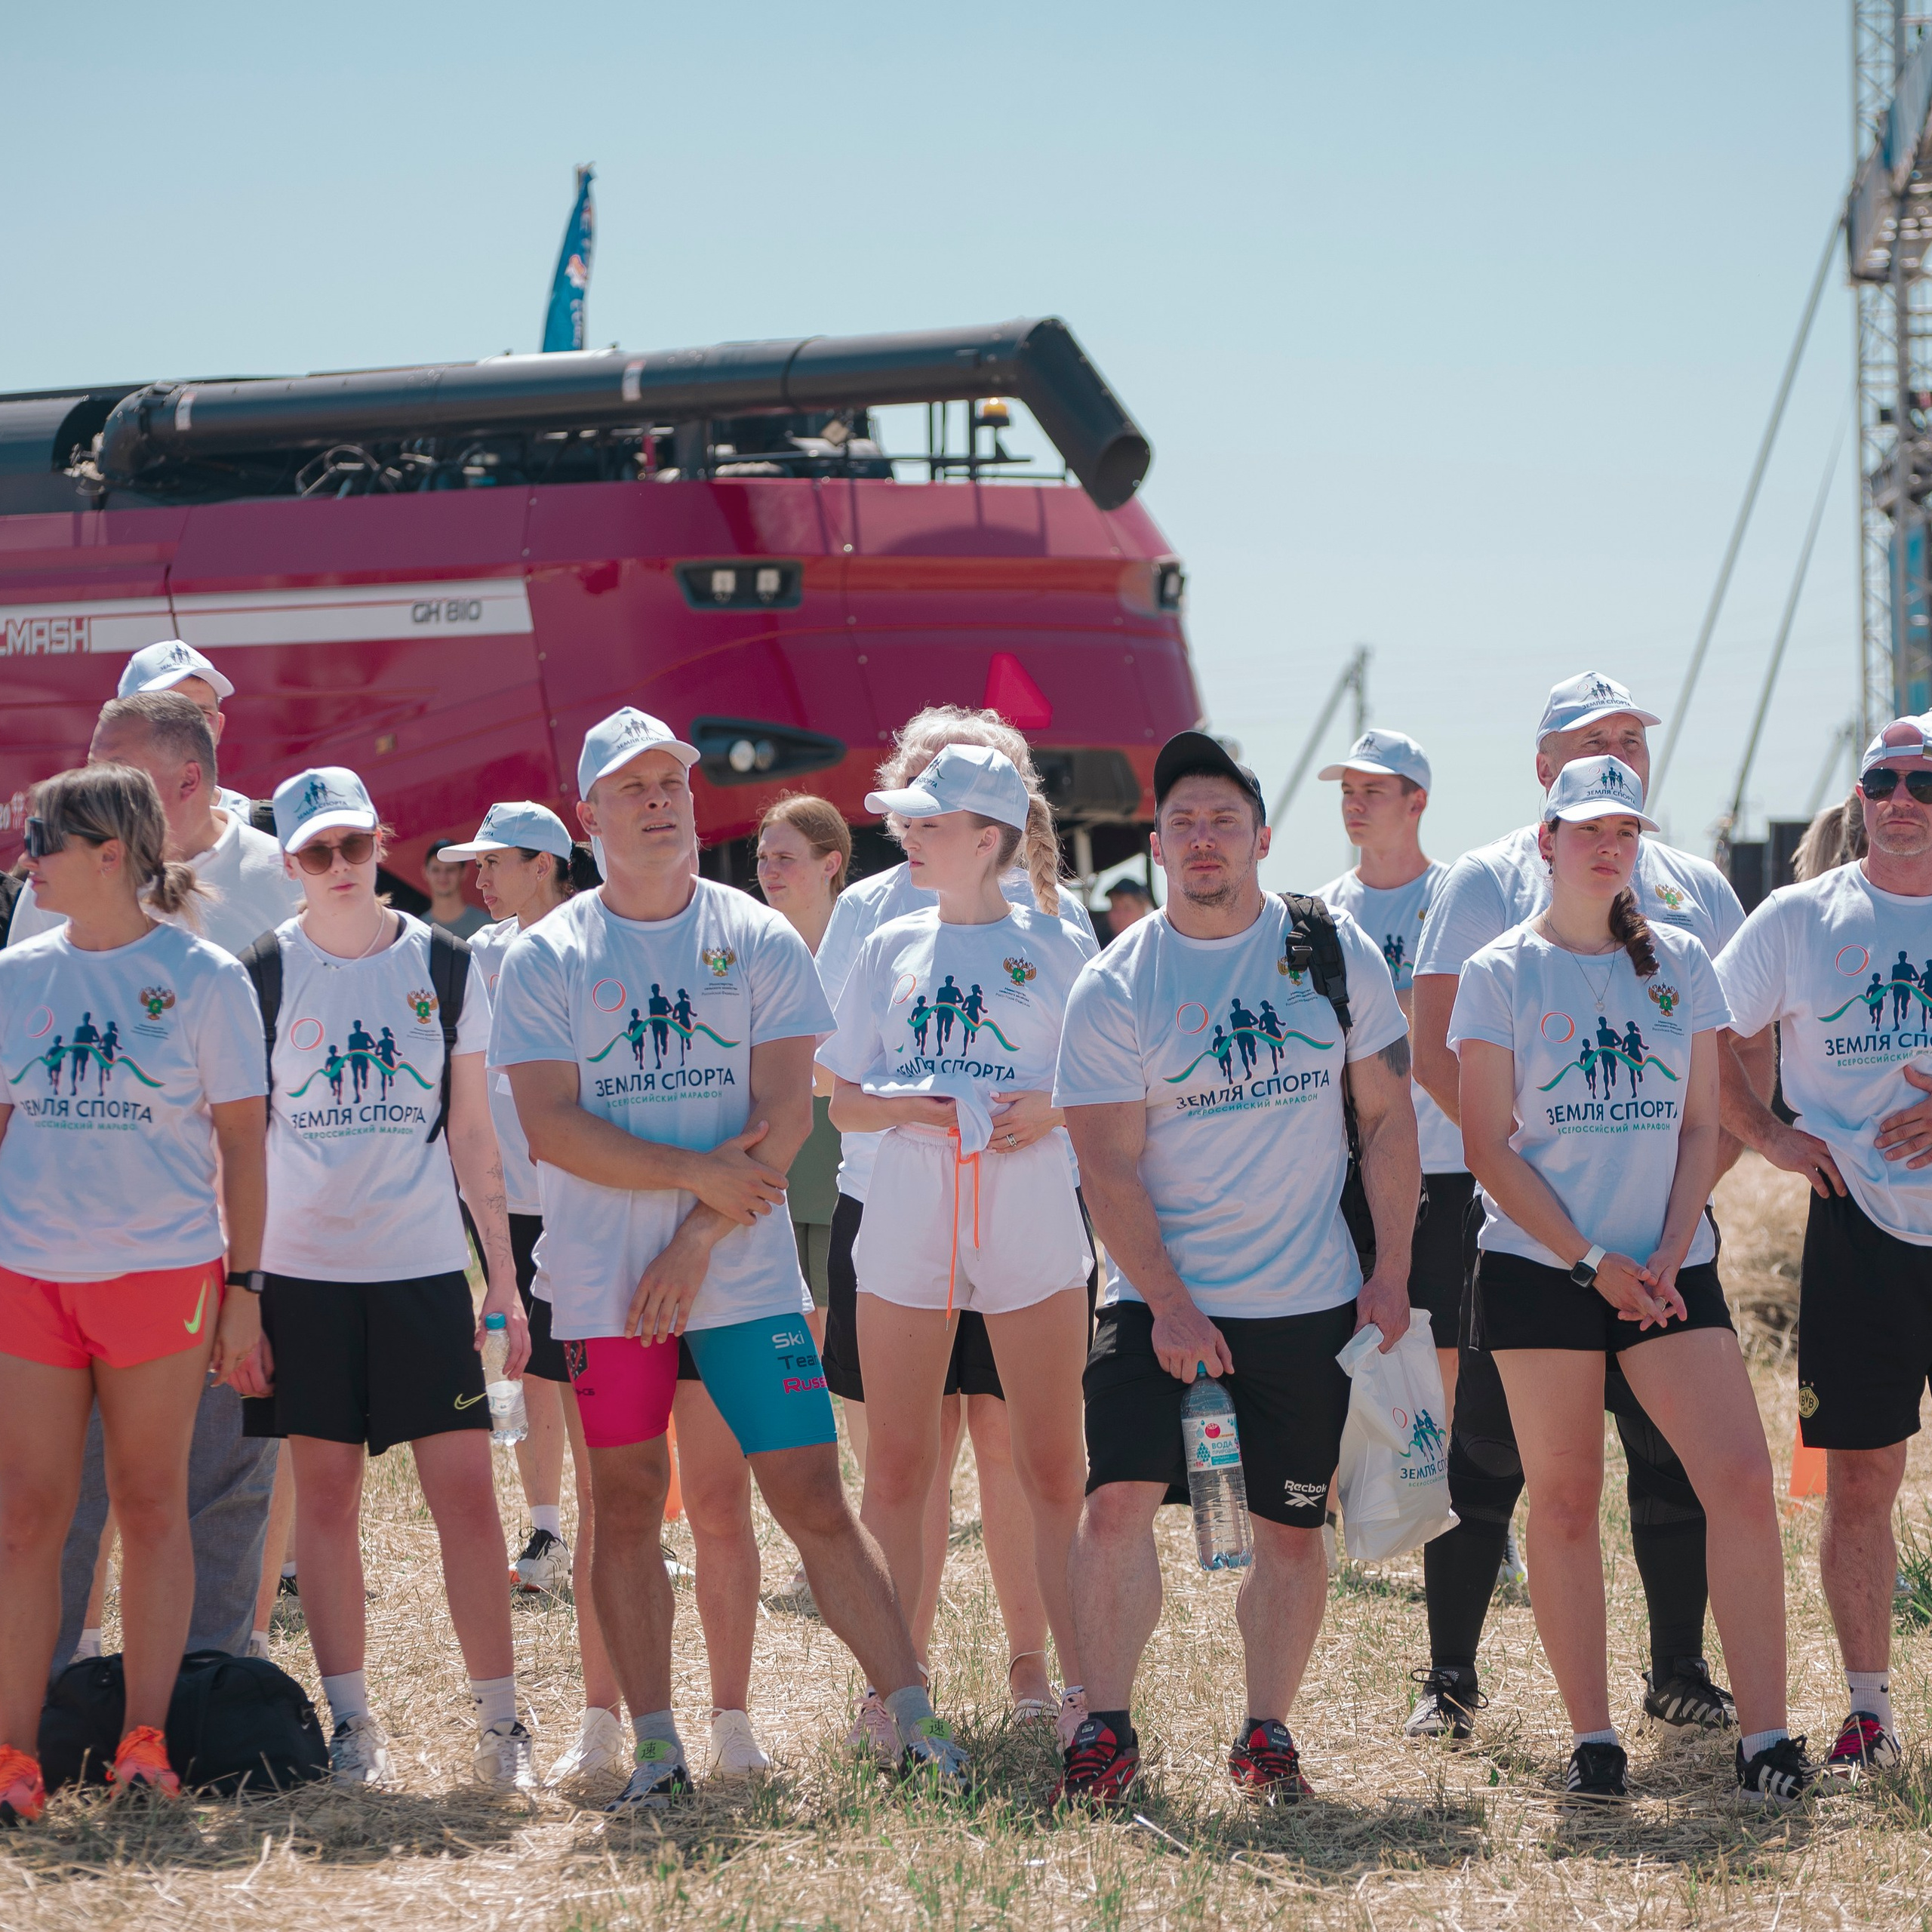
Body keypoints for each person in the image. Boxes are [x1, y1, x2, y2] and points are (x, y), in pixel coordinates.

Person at [491, 708, 970, 1807]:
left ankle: (916, 1723)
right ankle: (657, 1751)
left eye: (671, 783)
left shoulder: (754, 935)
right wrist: (697, 1178)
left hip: (742, 1280)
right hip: (607, 1290)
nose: (659, 802)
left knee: (813, 1497)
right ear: (587, 816)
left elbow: (786, 1115)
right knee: (624, 1504)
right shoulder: (549, 954)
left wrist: (698, 1234)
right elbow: (551, 1128)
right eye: (632, 788)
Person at [1054, 731, 1420, 1803]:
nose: (1203, 838)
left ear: (1261, 838)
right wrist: (1169, 1306)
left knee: (1291, 1533)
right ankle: (1105, 1732)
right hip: (1154, 1299)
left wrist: (1391, 1271)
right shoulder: (1116, 983)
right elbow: (1106, 1166)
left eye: (1223, 819)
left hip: (1307, 1298)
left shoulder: (1330, 951)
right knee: (1115, 1505)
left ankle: (1267, 1734)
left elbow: (1387, 1120)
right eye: (1183, 822)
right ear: (1157, 845)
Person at [1404, 672, 1755, 1745]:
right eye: (1594, 738)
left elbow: (1725, 1087)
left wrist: (1666, 1227)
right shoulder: (1485, 885)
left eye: (1631, 739)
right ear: (1544, 774)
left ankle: (1679, 1668)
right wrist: (1553, 1197)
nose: (1620, 753)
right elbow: (1439, 1057)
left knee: (1671, 1461)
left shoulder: (1692, 897)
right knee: (1494, 1459)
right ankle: (1451, 1676)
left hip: (1663, 1239)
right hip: (1527, 1228)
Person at [1451, 755, 1806, 1804]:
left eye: (1626, 831)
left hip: (1665, 1270)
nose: (1610, 847)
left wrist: (1669, 1244)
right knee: (1565, 1502)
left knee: (1738, 1480)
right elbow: (1485, 1146)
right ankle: (1594, 1741)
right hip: (1542, 1269)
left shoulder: (1682, 960)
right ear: (1546, 841)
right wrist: (1588, 1259)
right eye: (1588, 829)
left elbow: (1702, 1126)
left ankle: (1767, 1740)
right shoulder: (1500, 971)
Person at [237, 766, 536, 1791]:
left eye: (354, 845)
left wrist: (502, 1277)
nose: (340, 866)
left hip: (420, 1273)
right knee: (324, 1499)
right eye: (317, 851)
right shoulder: (260, 972)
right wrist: (242, 1293)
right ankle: (351, 1724)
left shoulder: (448, 964)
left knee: (468, 1497)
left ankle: (502, 1724)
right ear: (289, 862)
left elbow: (473, 1136)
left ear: (381, 843)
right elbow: (241, 1149)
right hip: (303, 1278)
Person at [814, 704, 1099, 1731]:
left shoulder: (1062, 944)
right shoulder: (885, 939)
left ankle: (1079, 1691)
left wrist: (1048, 1106)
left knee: (1049, 1464)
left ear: (988, 839)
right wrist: (909, 1108)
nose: (907, 834)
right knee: (897, 1464)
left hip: (1030, 1212)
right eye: (909, 820)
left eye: (929, 823)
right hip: (905, 1212)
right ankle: (896, 1689)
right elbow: (840, 1099)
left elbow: (1116, 1090)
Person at [4, 692, 300, 1674]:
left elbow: (249, 1137)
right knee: (43, 1507)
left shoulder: (247, 913)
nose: (26, 858)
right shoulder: (29, 944)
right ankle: (43, 1706)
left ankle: (191, 1702)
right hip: (41, 1274)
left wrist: (250, 1284)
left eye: (42, 839)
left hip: (181, 1264)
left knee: (186, 1495)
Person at [1715, 715, 1932, 1784]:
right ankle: (1866, 1713)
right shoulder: (1800, 919)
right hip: (1857, 1229)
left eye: (1922, 784)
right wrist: (1769, 1134)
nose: (1900, 802)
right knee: (1859, 1478)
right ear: (1859, 798)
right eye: (1881, 781)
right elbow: (1701, 1031)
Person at [440, 800, 630, 1782]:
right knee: (531, 1376)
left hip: (590, 1205)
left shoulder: (596, 942)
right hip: (511, 1207)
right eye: (474, 864)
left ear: (546, 863)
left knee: (599, 1399)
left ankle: (610, 1532)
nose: (479, 880)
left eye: (496, 863)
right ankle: (548, 1526)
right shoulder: (477, 956)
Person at [1315, 728, 1469, 1421]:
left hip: (1445, 1160)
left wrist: (1379, 1009)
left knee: (1447, 1351)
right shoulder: (1320, 911)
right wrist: (1408, 1005)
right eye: (1348, 791)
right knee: (1347, 1345)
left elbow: (1465, 1016)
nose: (1354, 804)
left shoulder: (1458, 896)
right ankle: (1360, 1486)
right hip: (1349, 1161)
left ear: (1417, 802)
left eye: (1373, 790)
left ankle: (1450, 1489)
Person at [754, 793, 851, 1347]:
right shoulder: (747, 949)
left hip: (848, 1163)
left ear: (830, 863)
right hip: (773, 1166)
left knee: (848, 1344)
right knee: (791, 1340)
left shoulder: (868, 947)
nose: (769, 871)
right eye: (763, 858)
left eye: (785, 858)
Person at [424, 842, 490, 940]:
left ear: (464, 872)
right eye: (436, 870)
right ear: (425, 873)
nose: (443, 876)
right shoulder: (420, 927)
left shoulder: (486, 927)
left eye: (450, 869)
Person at [1102, 877, 1153, 941]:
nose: (1120, 915)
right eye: (1114, 907)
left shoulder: (1155, 942)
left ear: (1143, 908)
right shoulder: (1099, 945)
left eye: (1127, 908)